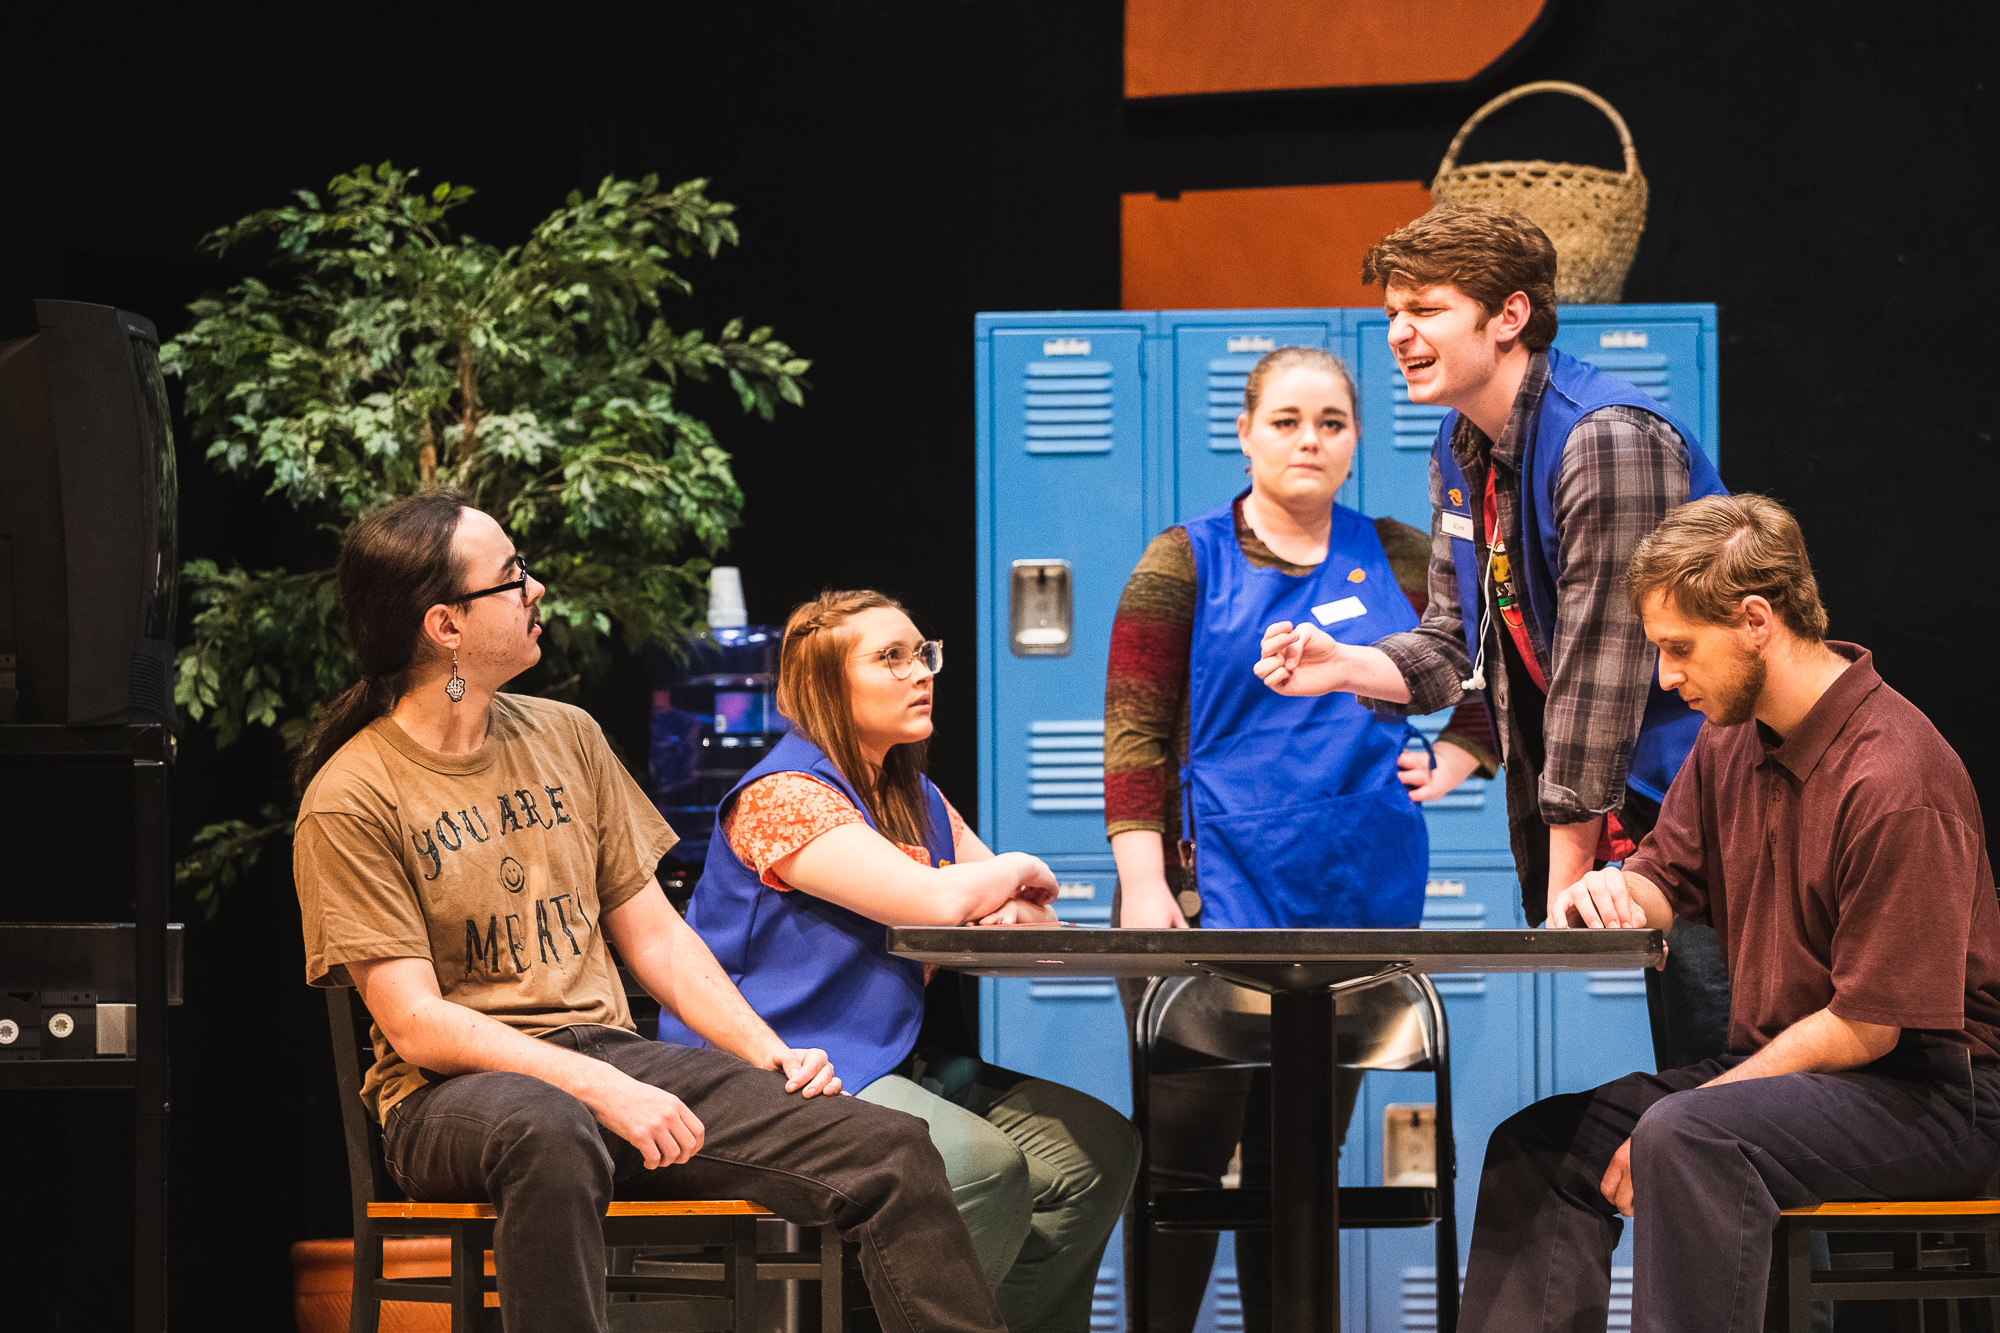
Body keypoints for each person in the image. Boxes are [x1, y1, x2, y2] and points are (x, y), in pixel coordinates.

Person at [292, 493, 1006, 1333]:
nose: (537, 589)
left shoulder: (568, 736)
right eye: (513, 577)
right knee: (548, 1129)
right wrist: (600, 1086)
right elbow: (414, 1024)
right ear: (445, 624)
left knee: (886, 1145)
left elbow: (658, 938)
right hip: (452, 1097)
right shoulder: (352, 796)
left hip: (609, 1058)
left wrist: (769, 1053)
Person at [1455, 493, 2000, 1332]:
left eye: (1679, 648)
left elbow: (1869, 1027)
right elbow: (1665, 877)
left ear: (1756, 618)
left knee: (1686, 1138)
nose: (1667, 677)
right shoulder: (1731, 740)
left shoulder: (1895, 778)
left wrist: (1687, 1112)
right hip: (1793, 1079)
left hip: (1933, 1099)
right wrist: (1614, 891)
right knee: (1542, 1147)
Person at [1254, 203, 1732, 1070]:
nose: (1398, 333)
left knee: (1728, 1082)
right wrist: (1342, 665)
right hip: (1638, 821)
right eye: (1392, 311)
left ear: (1509, 316)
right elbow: (1449, 643)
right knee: (1693, 1084)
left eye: (1426, 308)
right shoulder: (1461, 442)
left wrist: (1559, 899)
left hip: (1712, 810)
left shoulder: (1605, 438)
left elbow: (1600, 676)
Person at [1104, 345, 1496, 1332]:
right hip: (1202, 900)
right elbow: (1135, 732)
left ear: (1356, 438)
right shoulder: (1180, 557)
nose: (1308, 439)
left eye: (1330, 421)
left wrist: (1450, 761)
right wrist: (1143, 886)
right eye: (1284, 420)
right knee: (1185, 1166)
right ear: (1243, 433)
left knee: (1300, 1170)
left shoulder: (1403, 554)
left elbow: (1491, 685)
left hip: (1350, 904)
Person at [660, 589, 1141, 1333]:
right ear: (822, 683)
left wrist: (996, 889)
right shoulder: (785, 795)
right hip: (774, 1070)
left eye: (923, 653)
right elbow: (940, 900)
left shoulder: (914, 793)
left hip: (884, 1060)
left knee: (1096, 1152)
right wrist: (1008, 869)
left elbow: (1015, 911)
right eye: (890, 657)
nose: (920, 672)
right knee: (981, 1164)